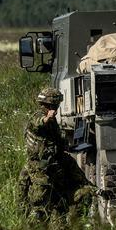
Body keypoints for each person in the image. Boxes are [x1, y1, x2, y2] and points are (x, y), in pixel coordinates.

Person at [18, 86, 95, 220]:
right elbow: (38, 123)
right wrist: (47, 118)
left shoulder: (52, 123)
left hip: (54, 165)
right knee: (40, 204)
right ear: (50, 105)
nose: (57, 109)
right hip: (40, 169)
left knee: (62, 200)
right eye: (55, 105)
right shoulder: (38, 116)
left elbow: (57, 141)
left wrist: (68, 147)